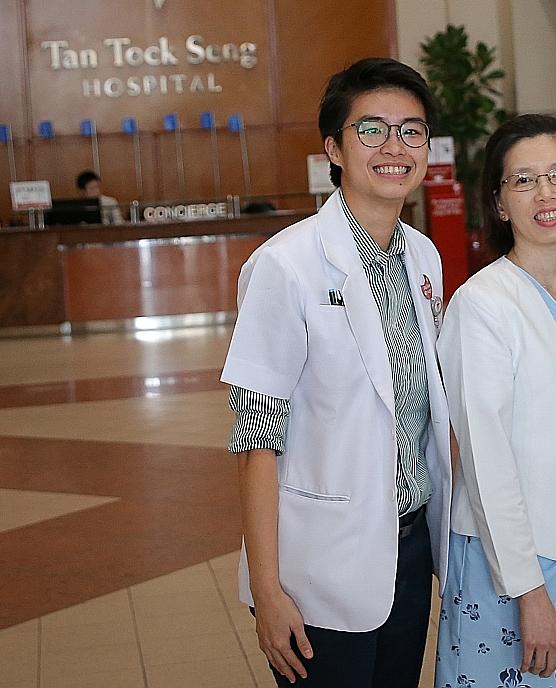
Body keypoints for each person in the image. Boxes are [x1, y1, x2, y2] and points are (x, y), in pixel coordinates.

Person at [221, 58, 452, 687]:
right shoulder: (286, 266)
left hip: (407, 548)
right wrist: (267, 591)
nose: (394, 147)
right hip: (318, 561)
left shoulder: (422, 256)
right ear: (334, 148)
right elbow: (256, 438)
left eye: (412, 131)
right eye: (371, 130)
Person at [434, 113, 556, 687]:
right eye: (522, 181)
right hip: (518, 565)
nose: (544, 193)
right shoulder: (482, 306)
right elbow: (485, 460)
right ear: (499, 204)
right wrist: (528, 593)